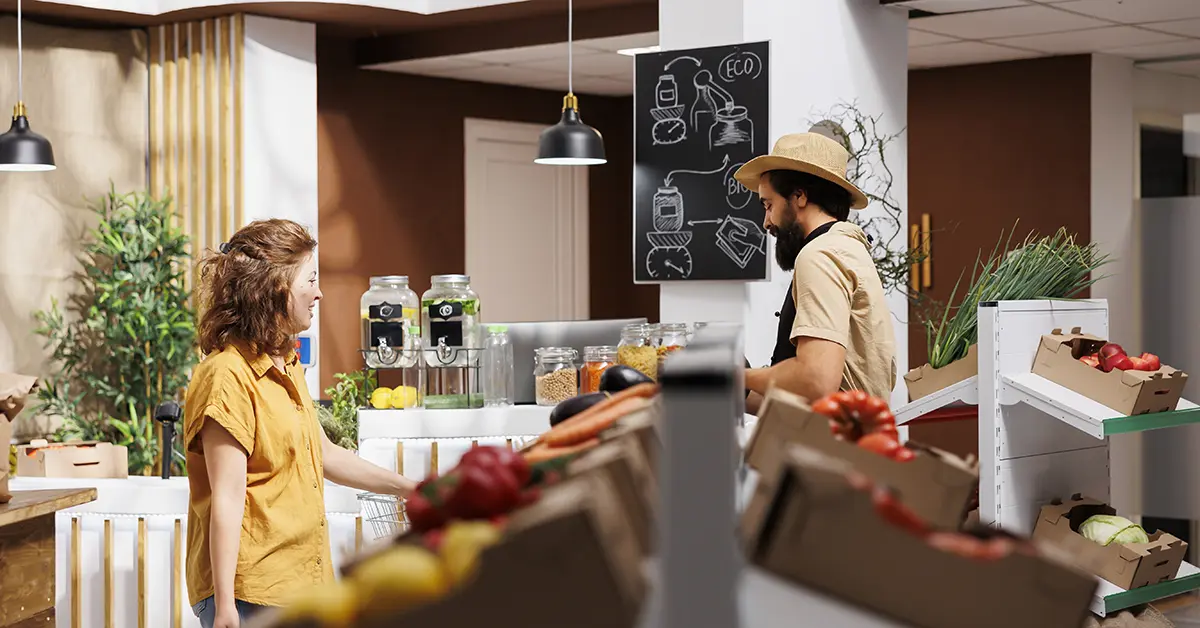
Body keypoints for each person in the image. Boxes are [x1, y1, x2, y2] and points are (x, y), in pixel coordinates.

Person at [184, 219, 415, 628]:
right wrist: (224, 608)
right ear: (276, 289)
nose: (320, 292)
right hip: (251, 592)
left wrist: (409, 489)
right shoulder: (227, 375)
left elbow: (324, 454)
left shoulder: (287, 364)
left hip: (300, 583)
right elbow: (227, 497)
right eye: (311, 279)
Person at [736, 132, 896, 410]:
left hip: (831, 448)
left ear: (799, 196)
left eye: (769, 205)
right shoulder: (848, 248)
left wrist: (736, 376)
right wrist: (739, 391)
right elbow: (807, 395)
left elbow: (817, 379)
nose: (766, 222)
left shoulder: (819, 255)